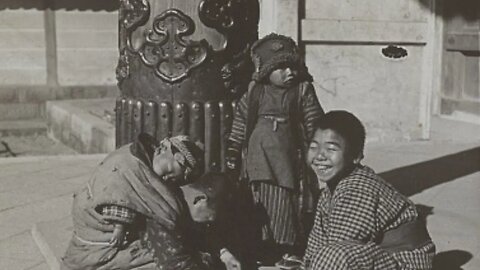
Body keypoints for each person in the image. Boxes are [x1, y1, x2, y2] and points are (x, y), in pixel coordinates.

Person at [61, 133, 240, 270]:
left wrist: (223, 252)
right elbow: (175, 260)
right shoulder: (151, 196)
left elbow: (190, 231)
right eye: (209, 219)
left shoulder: (148, 171)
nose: (171, 179)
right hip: (99, 243)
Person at [226, 33, 324, 266]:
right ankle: (262, 246)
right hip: (257, 163)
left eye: (293, 67)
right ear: (265, 71)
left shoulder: (302, 91)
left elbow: (314, 121)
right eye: (282, 68)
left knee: (285, 205)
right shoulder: (254, 93)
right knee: (257, 202)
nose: (290, 73)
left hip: (287, 163)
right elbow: (240, 122)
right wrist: (233, 149)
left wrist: (317, 147)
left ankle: (288, 249)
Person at [303, 111, 435, 270]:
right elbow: (316, 243)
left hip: (405, 262)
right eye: (313, 147)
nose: (319, 156)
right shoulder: (329, 191)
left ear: (356, 156)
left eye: (331, 149)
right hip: (375, 256)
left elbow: (336, 253)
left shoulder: (357, 189)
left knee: (332, 256)